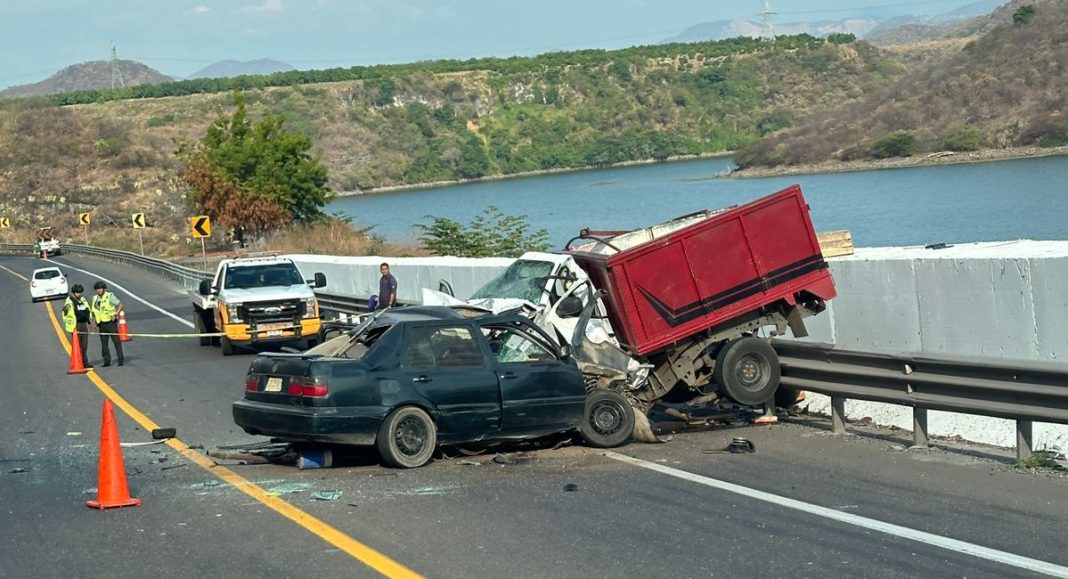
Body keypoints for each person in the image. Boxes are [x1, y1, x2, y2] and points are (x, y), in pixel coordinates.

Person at [90, 280, 125, 367]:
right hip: (101, 323)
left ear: (104, 289)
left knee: (116, 341)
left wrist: (115, 314)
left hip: (110, 323)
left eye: (100, 288)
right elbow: (94, 311)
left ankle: (120, 359)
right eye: (97, 289)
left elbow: (120, 305)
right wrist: (93, 323)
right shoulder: (95, 298)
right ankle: (107, 360)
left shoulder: (109, 296)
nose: (99, 290)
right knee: (104, 344)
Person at [61, 284, 93, 369]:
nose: (79, 294)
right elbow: (65, 311)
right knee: (78, 345)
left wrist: (89, 322)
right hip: (75, 325)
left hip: (83, 324)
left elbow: (87, 310)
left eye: (80, 292)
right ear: (74, 293)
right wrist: (65, 309)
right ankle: (79, 362)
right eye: (78, 293)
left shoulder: (83, 300)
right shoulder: (69, 301)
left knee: (84, 345)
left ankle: (85, 362)